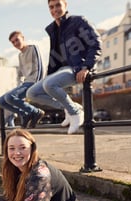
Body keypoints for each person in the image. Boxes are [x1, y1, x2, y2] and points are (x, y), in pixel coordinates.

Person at [26, 0, 102, 134]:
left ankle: (75, 112)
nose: (54, 9)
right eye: (51, 7)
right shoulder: (53, 29)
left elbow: (96, 44)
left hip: (76, 67)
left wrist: (86, 67)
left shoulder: (78, 21)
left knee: (49, 84)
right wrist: (50, 73)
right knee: (31, 93)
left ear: (65, 5)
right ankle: (71, 107)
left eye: (58, 5)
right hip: (59, 70)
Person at [0, 31, 45, 129]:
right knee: (1, 101)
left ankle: (36, 112)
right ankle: (25, 114)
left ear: (23, 38)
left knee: (10, 97)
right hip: (25, 83)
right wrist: (18, 88)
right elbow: (20, 74)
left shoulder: (33, 48)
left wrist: (37, 84)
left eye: (17, 40)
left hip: (35, 82)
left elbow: (41, 67)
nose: (15, 43)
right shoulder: (20, 56)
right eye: (13, 42)